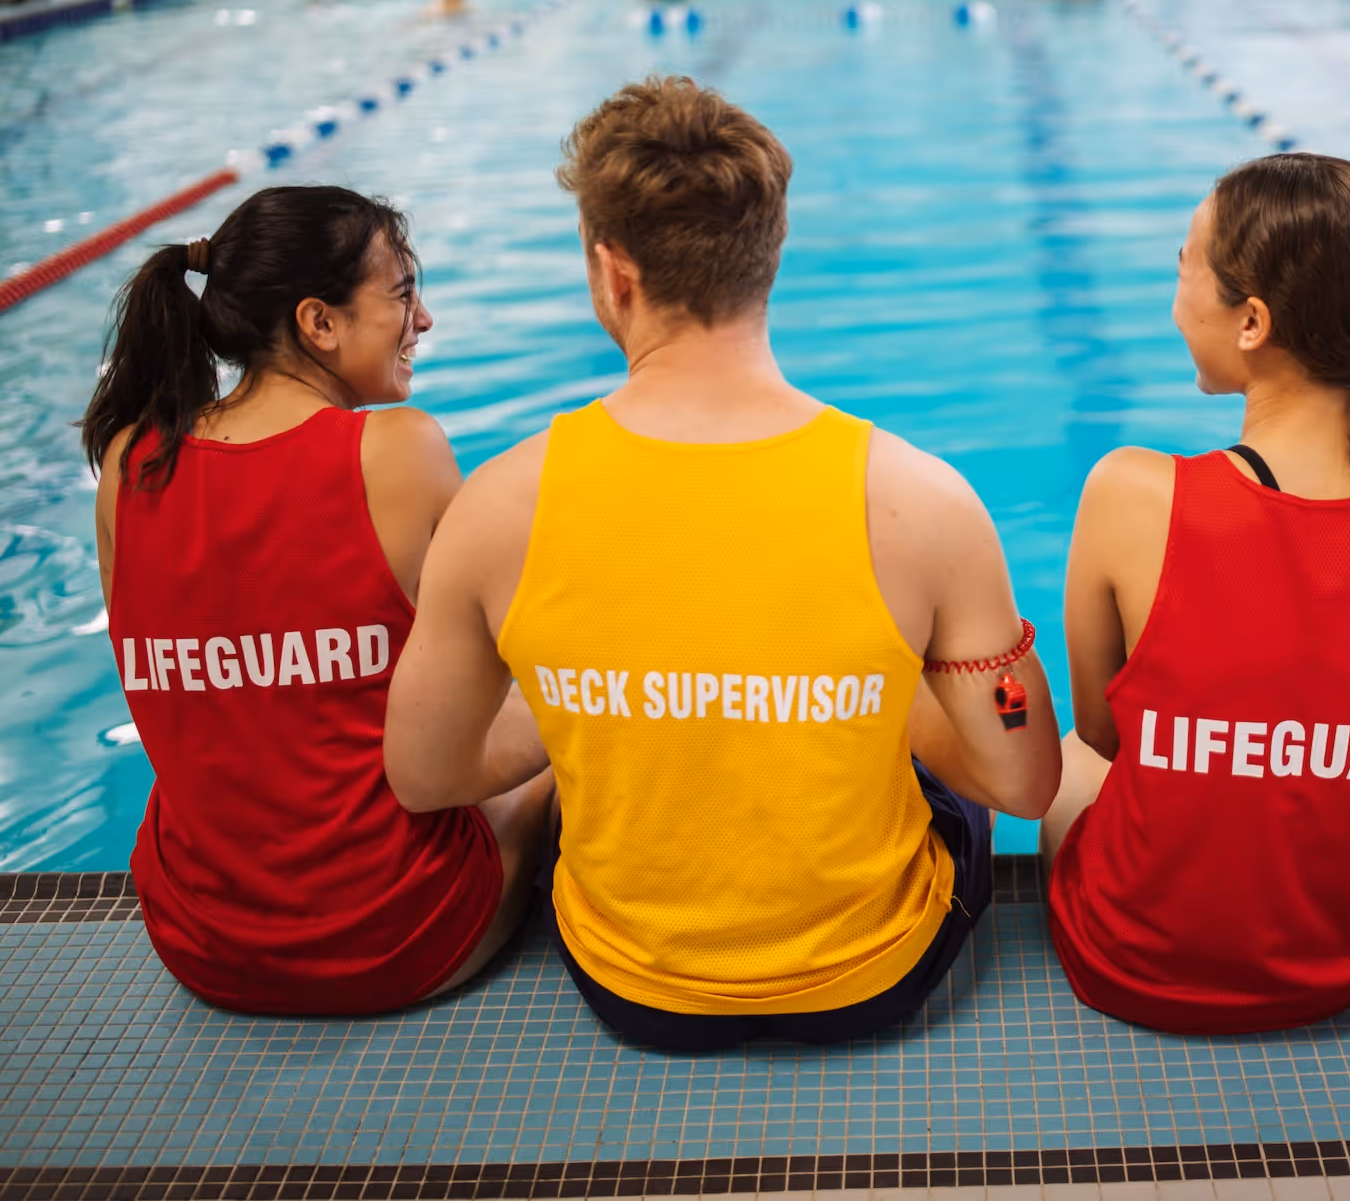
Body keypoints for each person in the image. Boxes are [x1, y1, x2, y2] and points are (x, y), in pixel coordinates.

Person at [382, 77, 1064, 1053]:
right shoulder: (920, 498)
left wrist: (603, 698)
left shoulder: (500, 503)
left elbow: (424, 774)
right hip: (872, 979)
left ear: (610, 272)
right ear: (770, 254)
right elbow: (1024, 777)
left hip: (633, 989)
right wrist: (874, 691)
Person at [1041, 154, 1350, 1035]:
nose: (1175, 299)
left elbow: (1104, 733)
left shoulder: (1133, 493)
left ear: (1252, 320)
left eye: (1183, 268)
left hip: (1135, 964)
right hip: (1345, 965)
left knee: (1069, 756)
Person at [78, 187, 553, 1017]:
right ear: (318, 323)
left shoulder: (130, 464)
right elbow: (509, 667)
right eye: (403, 295)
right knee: (570, 707)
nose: (426, 319)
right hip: (398, 932)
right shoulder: (395, 450)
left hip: (203, 938)